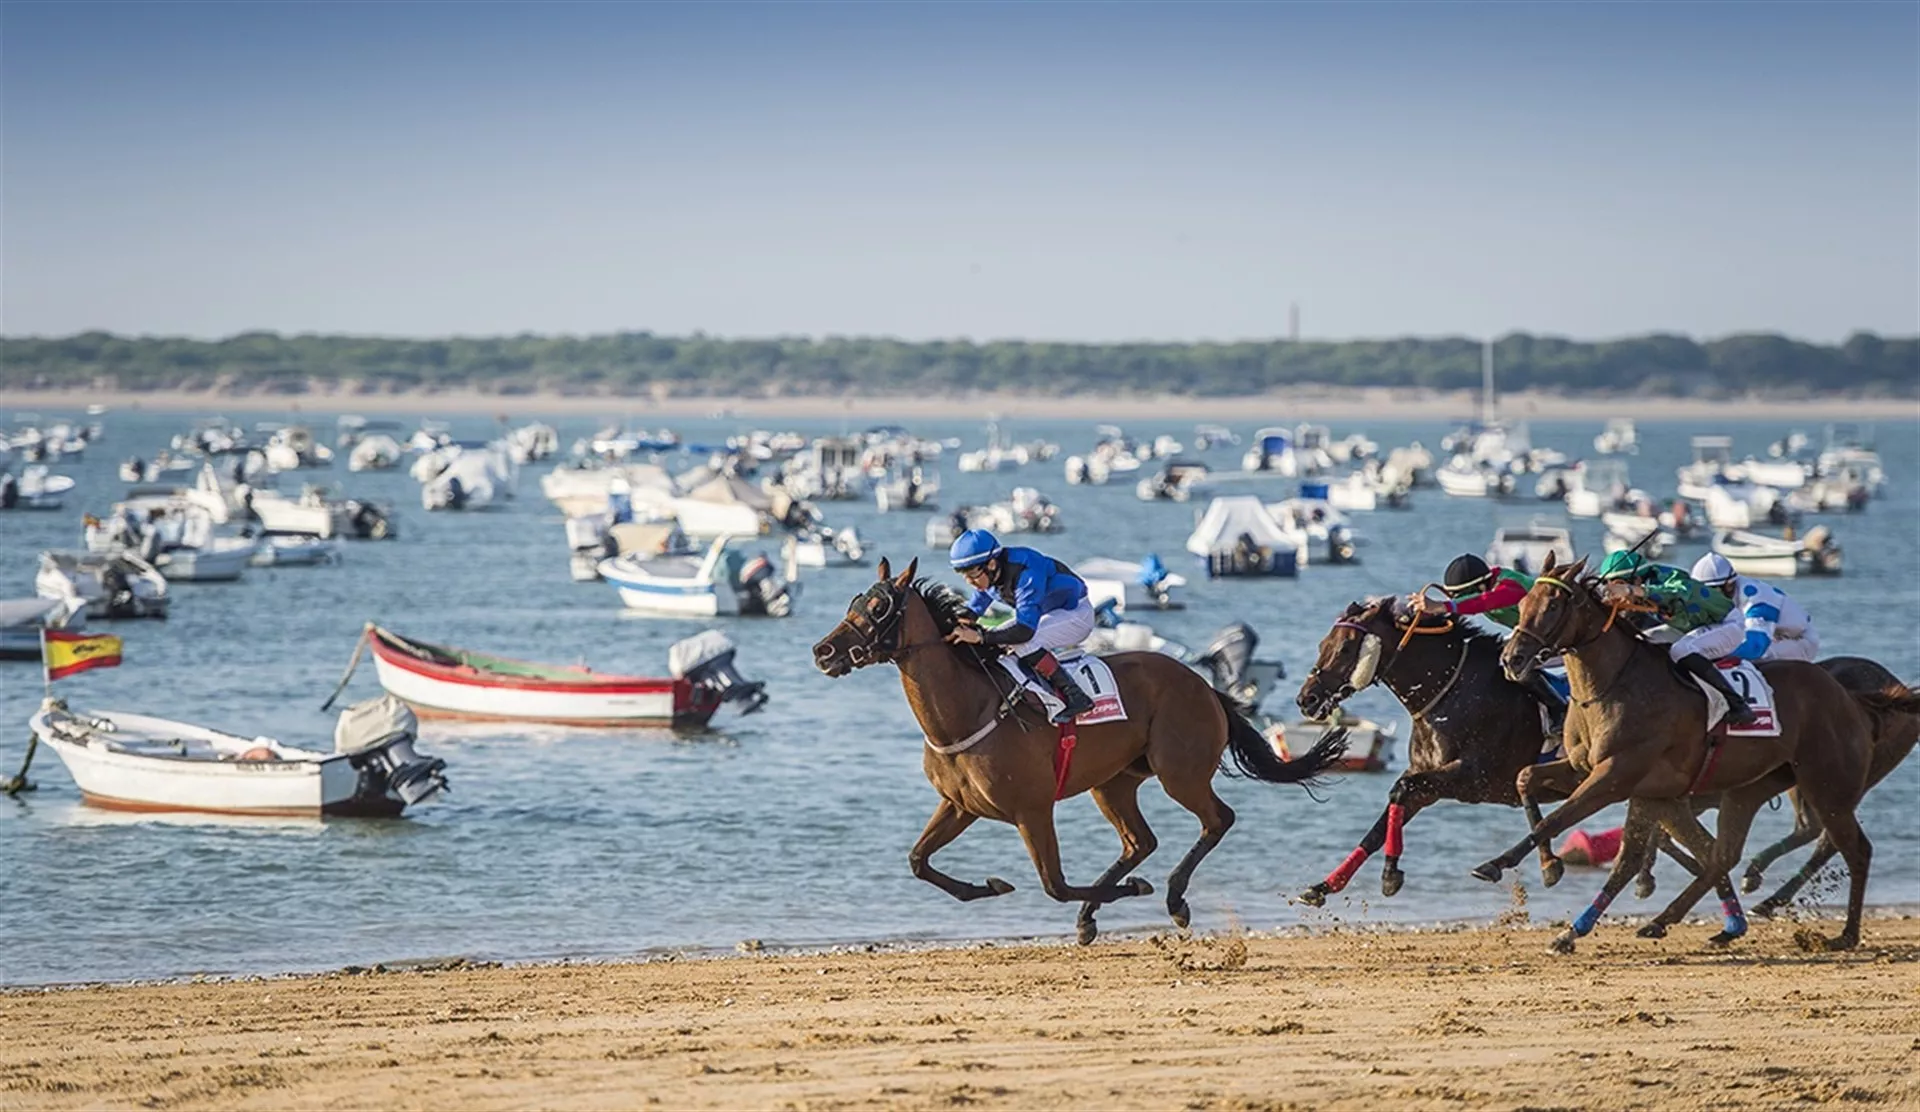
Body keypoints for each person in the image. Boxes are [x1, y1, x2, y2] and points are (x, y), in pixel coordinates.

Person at [944, 528, 1096, 724]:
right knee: (1000, 639)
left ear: (991, 564)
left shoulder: (1027, 573)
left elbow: (1024, 632)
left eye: (972, 574)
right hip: (1047, 615)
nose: (969, 582)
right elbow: (970, 614)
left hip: (1075, 614)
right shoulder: (988, 576)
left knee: (1022, 643)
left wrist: (980, 637)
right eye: (964, 575)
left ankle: (1076, 696)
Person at [1416, 553, 1568, 730]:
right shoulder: (1488, 582)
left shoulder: (1509, 586)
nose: (1459, 600)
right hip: (1536, 639)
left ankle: (1558, 708)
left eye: (1463, 596)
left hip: (1561, 639)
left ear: (1481, 585)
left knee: (1514, 663)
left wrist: (1444, 606)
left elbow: (1485, 601)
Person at [1668, 553, 1820, 724]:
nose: (1710, 598)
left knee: (1743, 657)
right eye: (1704, 593)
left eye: (1714, 592)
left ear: (1729, 585)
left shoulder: (1756, 598)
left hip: (1795, 640)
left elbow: (1756, 647)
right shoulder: (1723, 592)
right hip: (1756, 635)